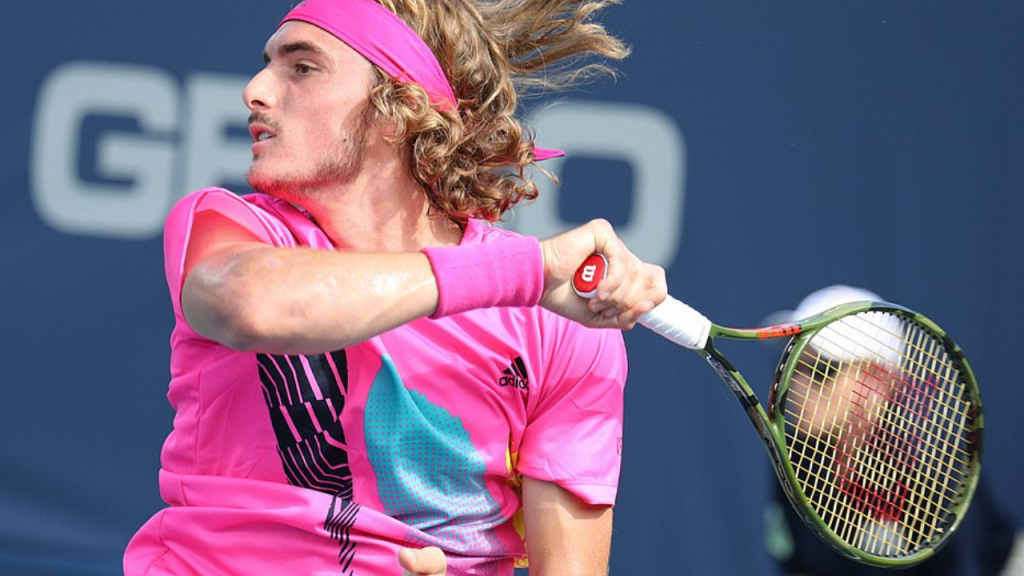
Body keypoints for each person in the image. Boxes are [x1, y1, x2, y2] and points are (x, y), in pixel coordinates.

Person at [123, 0, 663, 575]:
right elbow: (252, 305)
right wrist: (527, 273)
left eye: (302, 68)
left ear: (401, 109)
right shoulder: (229, 226)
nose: (255, 90)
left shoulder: (562, 325)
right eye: (268, 64)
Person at [764, 285, 1019, 576]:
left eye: (824, 370)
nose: (795, 386)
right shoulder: (793, 453)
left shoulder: (929, 462)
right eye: (792, 364)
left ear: (878, 381)